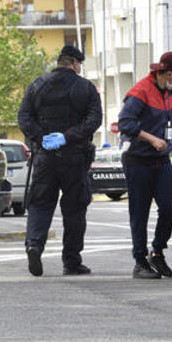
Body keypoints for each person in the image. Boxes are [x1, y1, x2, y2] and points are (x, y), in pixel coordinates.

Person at [17, 44, 103, 277]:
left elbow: (23, 117)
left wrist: (42, 138)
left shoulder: (37, 85)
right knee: (75, 209)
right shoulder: (85, 88)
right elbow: (95, 120)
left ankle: (34, 245)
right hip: (74, 156)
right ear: (75, 64)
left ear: (59, 62)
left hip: (45, 157)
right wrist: (67, 137)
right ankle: (72, 261)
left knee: (40, 204)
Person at [117, 51, 172, 279]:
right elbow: (124, 123)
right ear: (167, 73)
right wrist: (151, 139)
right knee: (139, 212)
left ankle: (157, 252)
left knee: (169, 209)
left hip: (162, 161)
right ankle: (139, 261)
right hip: (138, 161)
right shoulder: (140, 92)